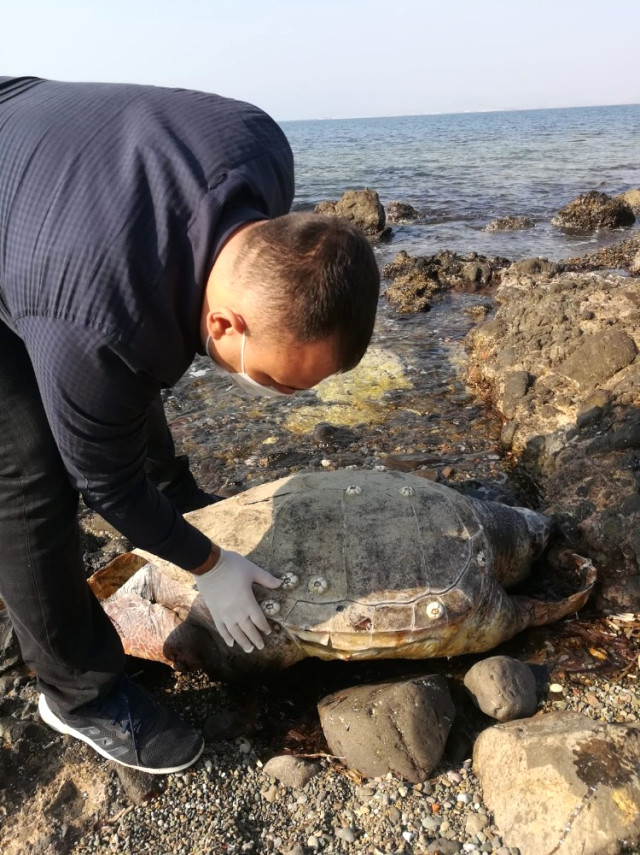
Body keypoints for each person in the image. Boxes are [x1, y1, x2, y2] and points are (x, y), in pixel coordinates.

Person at [0, 76, 380, 774]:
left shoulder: (263, 149)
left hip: (28, 148)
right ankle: (76, 694)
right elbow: (103, 481)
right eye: (274, 380)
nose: (285, 397)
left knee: (129, 358)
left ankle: (174, 498)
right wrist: (208, 564)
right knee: (27, 468)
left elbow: (150, 311)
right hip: (45, 231)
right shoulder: (99, 326)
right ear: (226, 325)